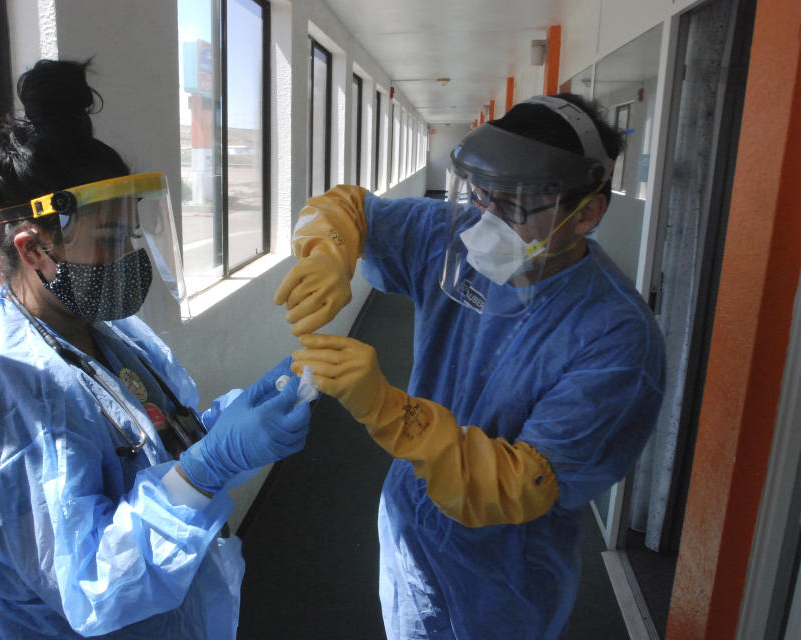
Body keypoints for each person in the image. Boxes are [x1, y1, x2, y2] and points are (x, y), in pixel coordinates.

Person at [0, 59, 311, 639]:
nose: (127, 256)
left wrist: (225, 421)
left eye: (127, 234)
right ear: (32, 249)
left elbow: (149, 441)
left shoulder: (105, 328)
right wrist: (211, 465)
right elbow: (91, 583)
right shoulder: (3, 388)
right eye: (106, 239)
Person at [275, 94, 666, 639]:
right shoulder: (449, 238)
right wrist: (327, 253)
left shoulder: (617, 338)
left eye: (515, 205)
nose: (487, 223)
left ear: (588, 214)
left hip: (505, 569)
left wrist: (388, 409)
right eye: (482, 196)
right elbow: (347, 207)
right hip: (411, 520)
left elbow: (521, 485)